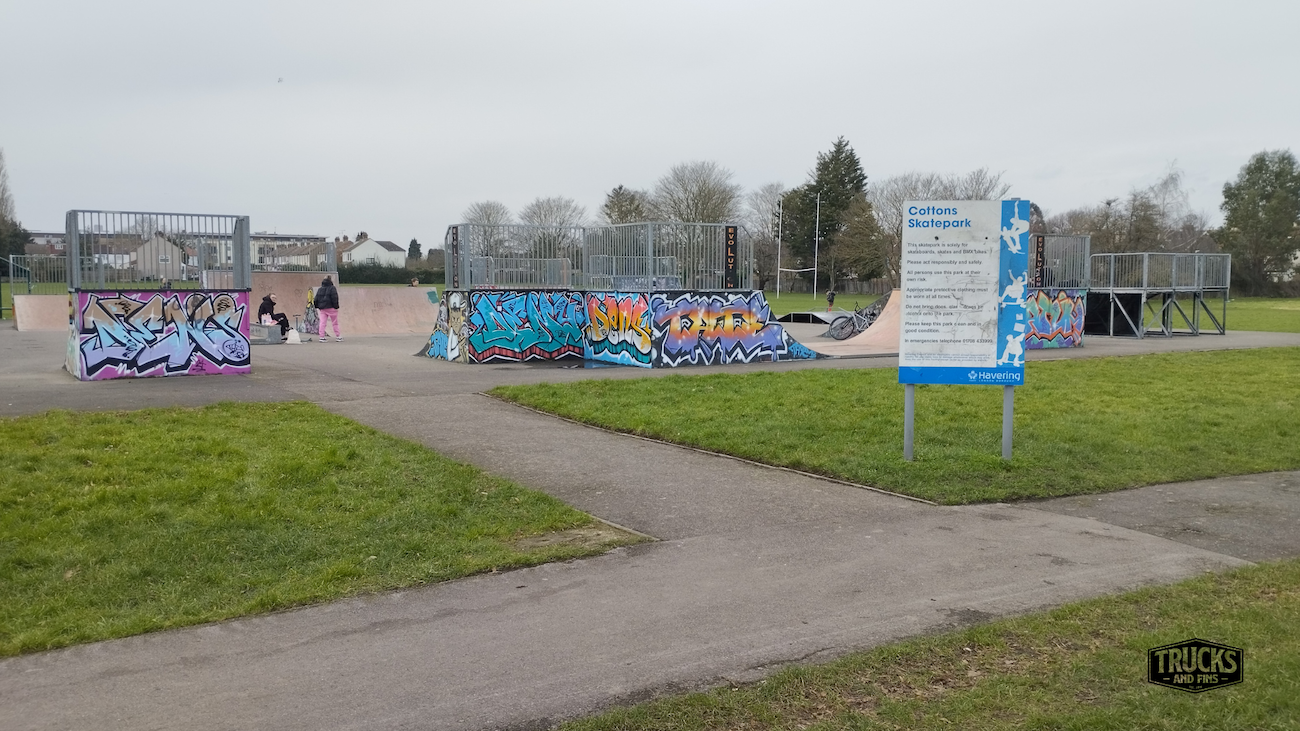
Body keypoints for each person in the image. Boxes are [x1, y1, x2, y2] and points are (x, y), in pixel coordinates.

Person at [315, 276, 342, 342]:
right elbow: (334, 298)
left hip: (323, 309)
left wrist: (317, 306)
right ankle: (338, 336)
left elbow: (316, 299)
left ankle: (321, 337)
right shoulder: (332, 288)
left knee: (322, 323)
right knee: (335, 322)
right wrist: (336, 306)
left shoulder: (320, 289)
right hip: (331, 308)